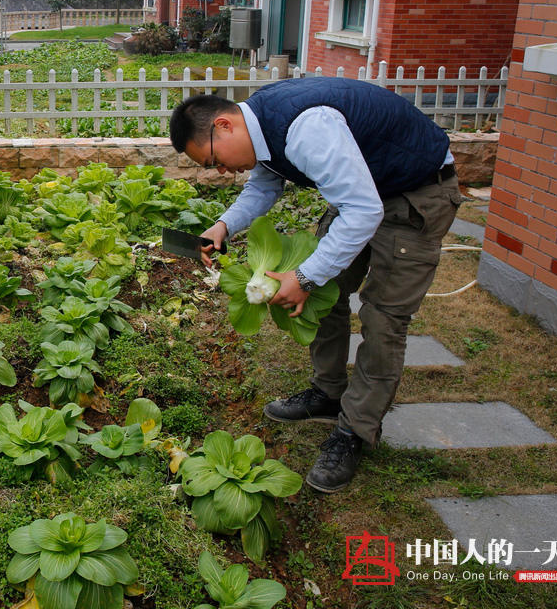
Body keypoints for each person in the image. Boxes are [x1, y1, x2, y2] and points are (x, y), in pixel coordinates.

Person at [169, 77, 462, 492]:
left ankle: (355, 431)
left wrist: (304, 276)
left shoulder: (307, 127)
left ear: (224, 126)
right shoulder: (259, 126)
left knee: (383, 319)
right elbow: (265, 185)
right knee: (327, 296)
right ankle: (328, 392)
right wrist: (223, 225)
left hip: (415, 193)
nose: (220, 172)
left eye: (214, 160)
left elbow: (363, 210)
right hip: (364, 193)